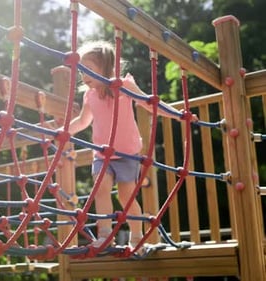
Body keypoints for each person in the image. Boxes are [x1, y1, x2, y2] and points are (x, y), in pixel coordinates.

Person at [65, 40, 195, 252]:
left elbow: (149, 103)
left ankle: (137, 236)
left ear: (106, 67)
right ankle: (105, 234)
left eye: (88, 69)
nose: (83, 76)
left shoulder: (124, 86)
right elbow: (82, 121)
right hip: (102, 154)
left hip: (127, 154)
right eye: (81, 71)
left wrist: (178, 115)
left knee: (126, 197)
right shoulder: (89, 95)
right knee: (101, 189)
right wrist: (63, 132)